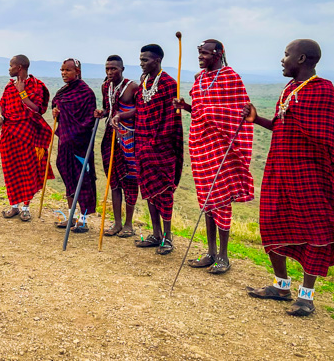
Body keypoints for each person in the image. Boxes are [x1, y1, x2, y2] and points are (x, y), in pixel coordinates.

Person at [242, 39, 334, 317]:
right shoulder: (290, 88)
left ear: (301, 59)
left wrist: (293, 119)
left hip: (309, 174)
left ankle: (306, 296)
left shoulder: (322, 89)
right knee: (271, 221)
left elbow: (322, 133)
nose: (282, 59)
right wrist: (257, 119)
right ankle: (280, 286)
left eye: (286, 54)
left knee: (315, 230)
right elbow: (282, 125)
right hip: (279, 170)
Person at [173, 40, 254, 274]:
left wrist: (209, 113)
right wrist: (186, 107)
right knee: (206, 199)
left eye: (205, 53)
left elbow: (239, 113)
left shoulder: (231, 77)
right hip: (200, 144)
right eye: (199, 53)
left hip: (222, 146)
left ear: (218, 54)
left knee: (220, 199)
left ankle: (223, 257)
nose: (200, 57)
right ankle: (210, 252)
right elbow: (200, 109)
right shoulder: (199, 79)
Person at [114, 44, 183, 255]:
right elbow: (138, 109)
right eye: (140, 59)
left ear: (158, 60)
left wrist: (156, 142)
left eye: (145, 60)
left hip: (162, 148)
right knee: (149, 191)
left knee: (164, 192)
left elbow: (171, 118)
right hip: (141, 144)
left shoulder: (169, 84)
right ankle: (156, 234)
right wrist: (121, 116)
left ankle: (168, 238)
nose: (141, 63)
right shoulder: (145, 82)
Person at [0, 55, 54, 222]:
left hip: (28, 134)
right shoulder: (9, 85)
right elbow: (2, 104)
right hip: (9, 134)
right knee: (11, 170)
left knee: (28, 170)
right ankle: (14, 206)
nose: (9, 69)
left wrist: (22, 93)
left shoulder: (37, 86)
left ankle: (26, 207)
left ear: (19, 67)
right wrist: (0, 117)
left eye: (11, 66)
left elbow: (38, 110)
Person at [94, 55, 139, 238]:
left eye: (114, 69)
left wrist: (121, 116)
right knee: (113, 180)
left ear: (122, 69)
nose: (110, 72)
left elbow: (140, 109)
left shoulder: (132, 87)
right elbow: (107, 108)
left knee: (129, 180)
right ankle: (117, 223)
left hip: (129, 138)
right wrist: (101, 112)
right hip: (110, 136)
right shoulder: (106, 86)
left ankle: (129, 224)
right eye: (107, 69)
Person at [52, 59, 98, 233]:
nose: (64, 73)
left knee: (83, 181)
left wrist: (74, 133)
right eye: (62, 70)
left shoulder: (86, 93)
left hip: (80, 145)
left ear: (77, 71)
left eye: (68, 70)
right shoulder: (63, 91)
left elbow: (89, 120)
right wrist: (56, 111)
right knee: (68, 178)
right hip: (65, 143)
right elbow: (56, 104)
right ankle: (71, 216)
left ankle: (83, 220)